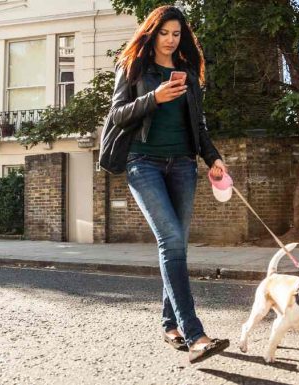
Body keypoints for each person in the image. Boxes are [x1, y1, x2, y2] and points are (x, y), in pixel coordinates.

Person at [110, 5, 229, 363]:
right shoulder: (134, 68)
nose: (170, 40)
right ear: (152, 33)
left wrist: (214, 158)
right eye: (164, 33)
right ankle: (195, 335)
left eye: (177, 34)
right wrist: (154, 98)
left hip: (182, 165)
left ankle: (170, 324)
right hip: (142, 163)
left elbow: (199, 125)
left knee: (176, 247)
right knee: (171, 241)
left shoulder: (189, 74)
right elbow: (117, 115)